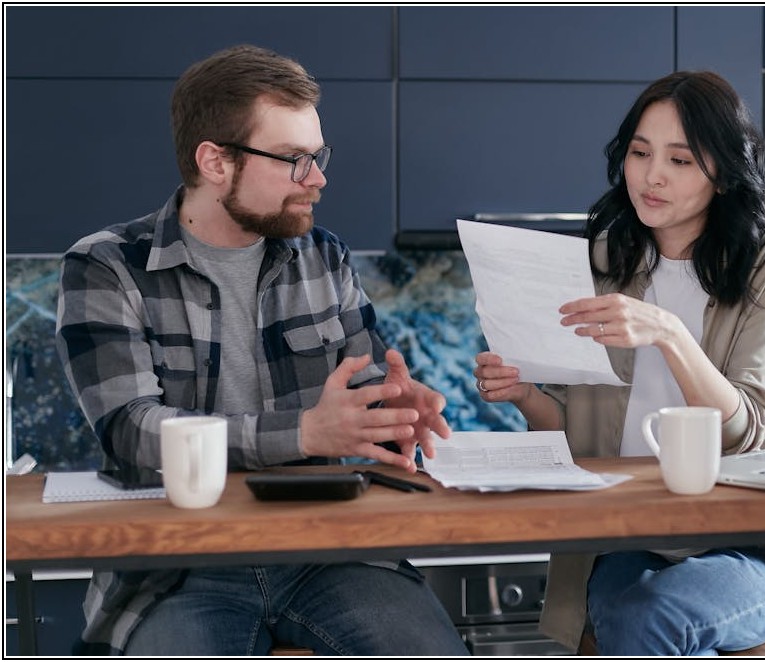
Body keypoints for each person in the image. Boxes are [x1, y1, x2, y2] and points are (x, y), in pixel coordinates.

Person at [55, 44, 469, 656]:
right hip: (177, 569)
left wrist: (395, 413)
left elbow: (361, 404)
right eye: (295, 160)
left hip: (332, 552)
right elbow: (134, 431)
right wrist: (303, 434)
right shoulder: (106, 266)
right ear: (215, 161)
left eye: (318, 156)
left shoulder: (324, 257)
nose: (319, 178)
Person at [472, 71, 765, 656]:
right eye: (640, 153)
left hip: (741, 533)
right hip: (625, 532)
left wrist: (668, 333)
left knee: (650, 620)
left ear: (724, 172)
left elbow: (745, 430)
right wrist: (524, 395)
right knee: (633, 620)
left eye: (680, 160)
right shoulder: (597, 263)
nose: (651, 175)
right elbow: (570, 431)